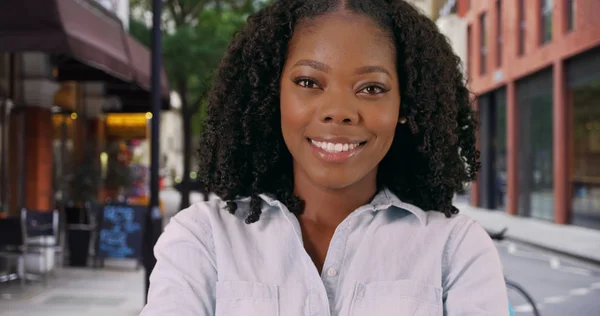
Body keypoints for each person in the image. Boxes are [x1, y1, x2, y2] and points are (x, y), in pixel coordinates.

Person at [141, 0, 509, 315]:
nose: (338, 111)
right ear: (274, 95)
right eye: (308, 82)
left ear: (405, 106)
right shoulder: (203, 239)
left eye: (371, 88)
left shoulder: (456, 250)